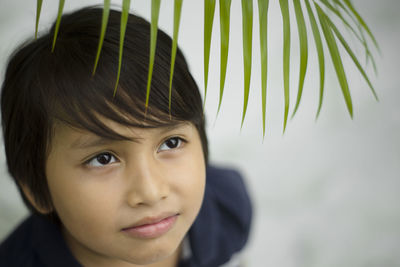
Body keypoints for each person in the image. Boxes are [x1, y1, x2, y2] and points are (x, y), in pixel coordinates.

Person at [0, 6, 252, 267]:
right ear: (36, 191)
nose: (151, 192)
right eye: (103, 159)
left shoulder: (226, 207)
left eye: (171, 142)